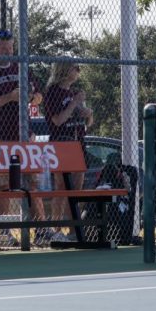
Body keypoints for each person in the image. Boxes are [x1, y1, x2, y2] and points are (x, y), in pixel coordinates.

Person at [41, 61, 93, 244]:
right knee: (62, 187)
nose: (78, 71)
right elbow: (57, 120)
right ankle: (56, 229)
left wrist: (88, 113)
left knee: (76, 190)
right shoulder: (53, 92)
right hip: (62, 143)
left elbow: (87, 123)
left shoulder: (73, 93)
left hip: (78, 142)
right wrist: (74, 103)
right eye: (75, 68)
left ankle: (73, 230)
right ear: (64, 70)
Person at [0, 29, 41, 142]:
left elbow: (39, 96)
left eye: (10, 47)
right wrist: (10, 96)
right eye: (3, 48)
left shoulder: (21, 68)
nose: (9, 52)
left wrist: (31, 97)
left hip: (24, 132)